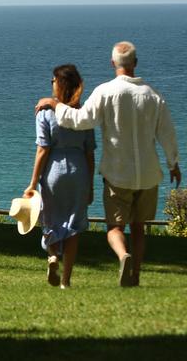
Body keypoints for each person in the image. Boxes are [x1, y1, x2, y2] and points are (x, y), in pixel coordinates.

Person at [36, 41, 180, 287]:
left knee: (114, 227)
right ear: (135, 63)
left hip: (117, 173)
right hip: (148, 174)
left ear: (113, 63)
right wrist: (173, 164)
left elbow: (80, 120)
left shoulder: (105, 91)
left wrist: (55, 104)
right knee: (139, 227)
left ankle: (123, 255)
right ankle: (135, 275)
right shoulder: (153, 95)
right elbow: (167, 133)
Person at [24, 64, 95, 289]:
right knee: (73, 226)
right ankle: (66, 281)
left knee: (49, 218)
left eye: (53, 81)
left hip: (53, 171)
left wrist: (33, 182)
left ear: (60, 84)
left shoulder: (45, 113)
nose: (51, 85)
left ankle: (53, 254)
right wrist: (90, 184)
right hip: (79, 171)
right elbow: (90, 151)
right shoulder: (84, 114)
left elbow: (42, 149)